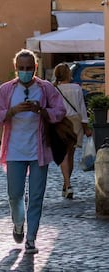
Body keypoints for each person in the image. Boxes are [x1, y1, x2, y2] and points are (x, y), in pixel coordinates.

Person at [0, 49, 66, 254]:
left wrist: (41, 111)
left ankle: (31, 238)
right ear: (16, 68)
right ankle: (18, 223)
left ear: (35, 68)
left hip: (39, 151)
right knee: (14, 194)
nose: (25, 72)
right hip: (14, 150)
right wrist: (12, 112)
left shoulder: (45, 89)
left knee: (36, 197)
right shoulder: (6, 90)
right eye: (21, 68)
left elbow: (60, 111)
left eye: (29, 68)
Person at [53, 63, 93, 199]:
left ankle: (67, 184)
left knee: (63, 155)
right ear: (68, 74)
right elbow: (82, 108)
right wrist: (86, 126)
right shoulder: (76, 88)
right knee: (70, 154)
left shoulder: (55, 89)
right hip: (75, 122)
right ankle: (66, 184)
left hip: (61, 122)